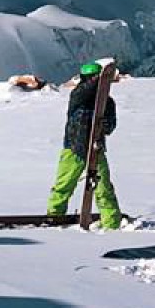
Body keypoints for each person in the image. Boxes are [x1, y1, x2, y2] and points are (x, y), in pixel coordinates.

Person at [47, 62, 122, 228]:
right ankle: (54, 217)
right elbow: (85, 91)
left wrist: (104, 123)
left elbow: (110, 127)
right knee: (63, 186)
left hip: (96, 149)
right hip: (74, 148)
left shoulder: (107, 102)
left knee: (103, 188)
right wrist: (100, 78)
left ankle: (112, 222)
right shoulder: (77, 96)